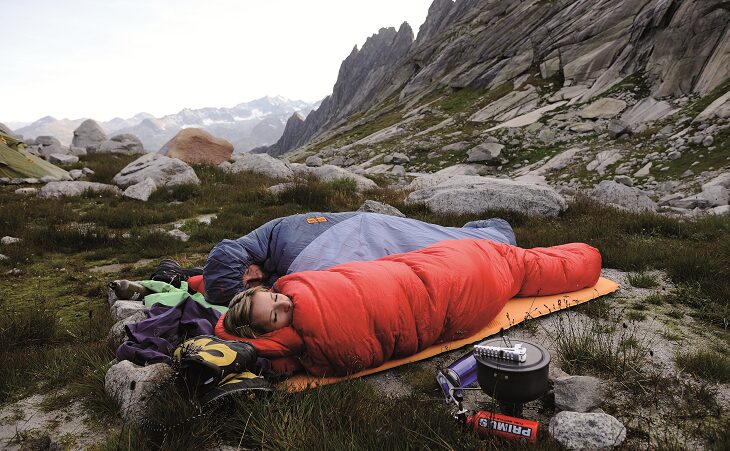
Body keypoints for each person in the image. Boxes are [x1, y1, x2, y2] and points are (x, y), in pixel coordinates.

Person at [215, 238, 602, 377]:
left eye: (276, 297)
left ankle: (585, 257)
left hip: (452, 268)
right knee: (520, 264)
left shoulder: (300, 296)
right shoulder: (314, 340)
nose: (285, 302)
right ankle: (587, 257)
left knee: (519, 264)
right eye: (277, 314)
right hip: (463, 281)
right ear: (272, 332)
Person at [201, 211, 517, 305]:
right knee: (440, 240)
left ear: (249, 269)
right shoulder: (264, 241)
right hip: (367, 225)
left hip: (370, 232)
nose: (257, 285)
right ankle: (491, 235)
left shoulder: (288, 249)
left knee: (447, 248)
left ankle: (498, 237)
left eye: (249, 285)